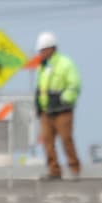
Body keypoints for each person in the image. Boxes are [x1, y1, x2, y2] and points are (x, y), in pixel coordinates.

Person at [34, 31, 81, 181]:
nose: (41, 53)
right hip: (46, 111)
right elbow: (40, 87)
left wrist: (64, 99)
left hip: (62, 110)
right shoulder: (42, 66)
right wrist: (38, 104)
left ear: (51, 48)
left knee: (66, 139)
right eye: (40, 51)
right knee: (47, 141)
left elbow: (74, 84)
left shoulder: (65, 63)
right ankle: (54, 170)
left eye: (43, 50)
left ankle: (74, 168)